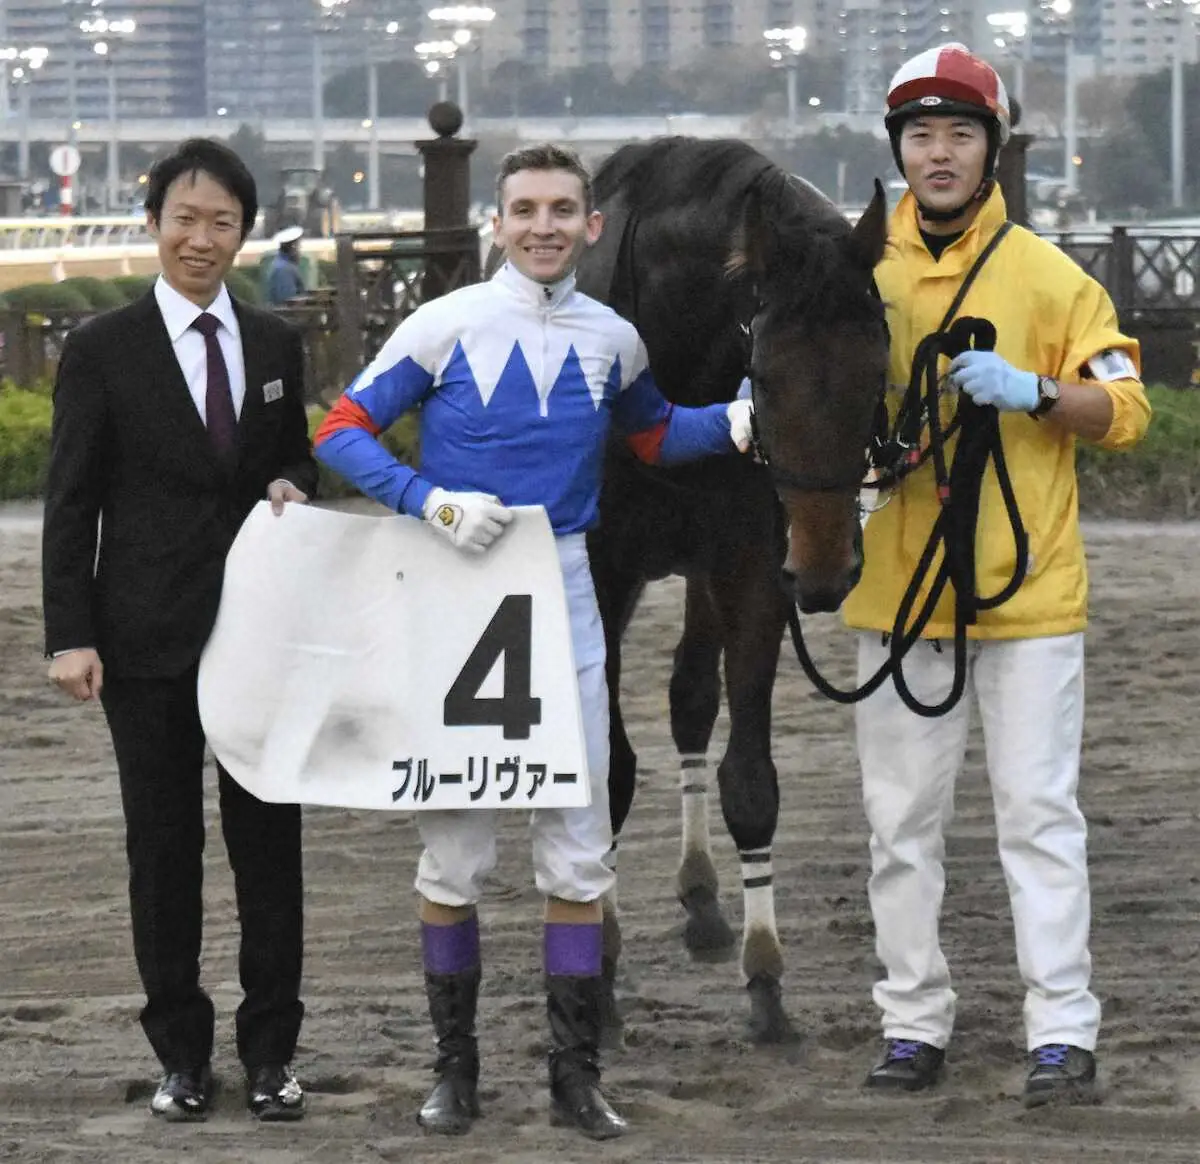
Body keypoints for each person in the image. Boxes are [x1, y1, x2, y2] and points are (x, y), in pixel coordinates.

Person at [314, 141, 754, 1141]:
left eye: (563, 210)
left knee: (577, 851)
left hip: (561, 592)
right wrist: (425, 502)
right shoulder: (445, 324)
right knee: (455, 860)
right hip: (454, 595)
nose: (544, 227)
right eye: (525, 210)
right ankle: (454, 1073)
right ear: (498, 224)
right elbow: (340, 428)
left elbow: (652, 437)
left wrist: (737, 422)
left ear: (591, 226)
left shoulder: (615, 339)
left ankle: (574, 1076)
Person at [841, 43, 1152, 1106]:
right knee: (898, 828)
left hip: (1028, 597)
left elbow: (1126, 411)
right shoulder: (858, 275)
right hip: (897, 592)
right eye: (920, 136)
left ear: (992, 150)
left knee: (1037, 818)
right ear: (898, 148)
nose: (938, 153)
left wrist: (1032, 392)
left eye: (959, 134)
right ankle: (910, 1019)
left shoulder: (1052, 275)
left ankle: (1062, 1028)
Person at [42, 137, 318, 1124]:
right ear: (153, 222)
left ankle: (274, 1055)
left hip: (260, 641)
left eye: (222, 222)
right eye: (184, 219)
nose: (201, 239)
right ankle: (183, 1058)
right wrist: (69, 632)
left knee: (269, 851)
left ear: (244, 233)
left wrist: (295, 481)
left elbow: (293, 463)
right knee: (162, 854)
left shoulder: (277, 343)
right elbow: (69, 502)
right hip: (143, 639)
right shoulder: (103, 349)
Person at [266, 224, 307, 305]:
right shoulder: (284, 269)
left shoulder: (282, 265)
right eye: (299, 245)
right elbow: (288, 301)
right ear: (293, 246)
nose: (300, 250)